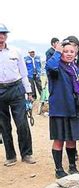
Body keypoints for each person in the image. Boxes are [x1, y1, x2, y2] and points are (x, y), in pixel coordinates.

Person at [46, 39, 79, 178]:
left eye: (72, 52)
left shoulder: (74, 67)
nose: (69, 54)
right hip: (60, 108)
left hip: (73, 107)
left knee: (72, 138)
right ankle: (58, 169)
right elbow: (50, 66)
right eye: (65, 51)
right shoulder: (56, 67)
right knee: (59, 139)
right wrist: (57, 51)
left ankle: (72, 166)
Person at [0, 23, 36, 167]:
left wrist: (29, 92)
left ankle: (26, 154)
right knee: (3, 125)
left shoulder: (15, 52)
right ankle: (10, 156)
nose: (1, 36)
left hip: (16, 88)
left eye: (3, 34)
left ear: (6, 36)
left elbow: (24, 73)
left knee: (22, 123)